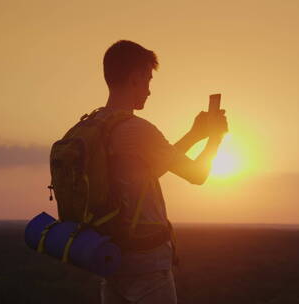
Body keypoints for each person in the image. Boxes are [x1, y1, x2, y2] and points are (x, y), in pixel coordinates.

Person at [97, 40, 228, 303]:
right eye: (147, 80)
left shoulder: (96, 125)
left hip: (108, 258)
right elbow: (197, 174)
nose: (148, 91)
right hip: (146, 265)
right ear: (134, 78)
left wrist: (194, 135)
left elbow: (145, 173)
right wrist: (215, 139)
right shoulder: (138, 130)